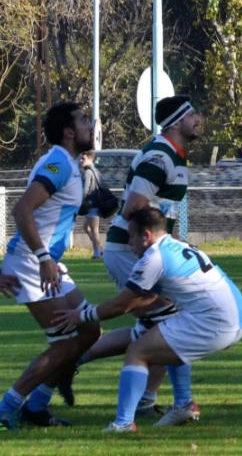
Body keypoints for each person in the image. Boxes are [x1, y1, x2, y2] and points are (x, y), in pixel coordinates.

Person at [68, 95, 204, 421]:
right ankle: (178, 401)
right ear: (176, 123)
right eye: (193, 115)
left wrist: (172, 244)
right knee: (173, 319)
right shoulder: (158, 157)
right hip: (128, 249)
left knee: (157, 327)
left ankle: (73, 362)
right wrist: (162, 248)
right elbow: (134, 208)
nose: (199, 120)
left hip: (139, 248)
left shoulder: (173, 155)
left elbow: (157, 213)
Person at [52, 206, 242, 433]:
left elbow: (122, 304)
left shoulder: (154, 257)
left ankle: (123, 423)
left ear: (146, 235)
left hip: (214, 322)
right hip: (234, 317)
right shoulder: (179, 245)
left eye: (131, 237)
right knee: (154, 337)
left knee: (138, 351)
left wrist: (82, 316)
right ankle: (183, 404)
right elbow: (148, 297)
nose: (130, 244)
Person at [0, 102, 100, 429]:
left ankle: (37, 407)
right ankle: (7, 408)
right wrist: (44, 258)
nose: (90, 126)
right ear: (69, 132)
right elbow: (22, 210)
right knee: (66, 342)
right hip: (32, 263)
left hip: (46, 262)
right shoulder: (58, 162)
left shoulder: (68, 163)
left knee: (89, 329)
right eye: (84, 121)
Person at [80, 151, 104, 259]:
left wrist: (80, 200)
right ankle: (100, 249)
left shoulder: (88, 172)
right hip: (96, 204)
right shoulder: (97, 171)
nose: (81, 161)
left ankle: (97, 253)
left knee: (94, 230)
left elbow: (85, 190)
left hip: (91, 205)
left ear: (90, 159)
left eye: (83, 159)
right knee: (86, 227)